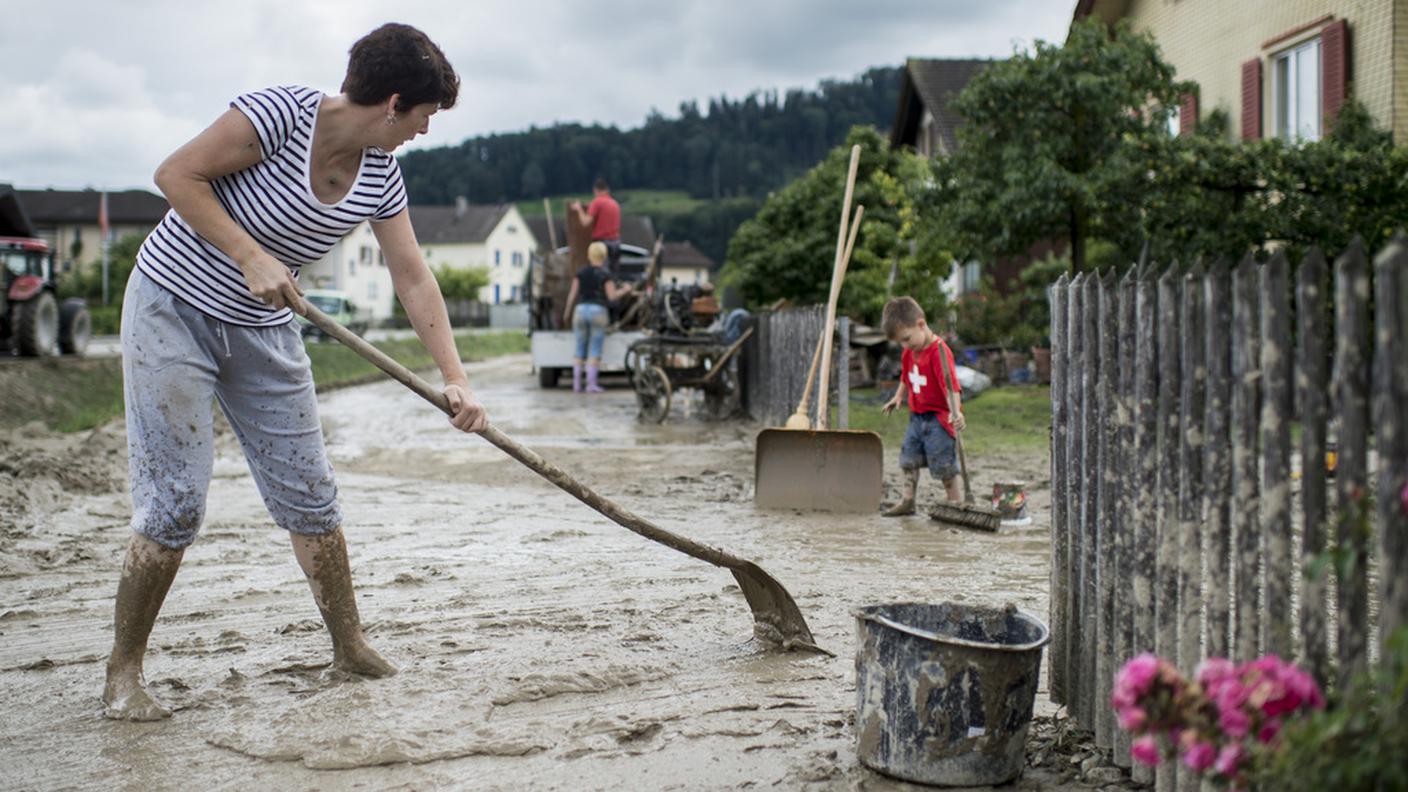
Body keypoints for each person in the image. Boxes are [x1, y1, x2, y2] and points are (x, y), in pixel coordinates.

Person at [103, 23, 487, 722]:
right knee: (175, 502)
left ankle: (350, 647)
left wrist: (455, 377)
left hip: (264, 328)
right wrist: (250, 254)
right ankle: (122, 676)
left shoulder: (381, 173)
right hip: (172, 310)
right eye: (427, 116)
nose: (425, 132)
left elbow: (413, 276)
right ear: (396, 102)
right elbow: (175, 175)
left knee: (313, 495)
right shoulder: (278, 116)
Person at [879, 296, 966, 516]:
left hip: (938, 418)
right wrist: (898, 396)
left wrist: (955, 413)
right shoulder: (909, 351)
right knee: (908, 459)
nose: (905, 345)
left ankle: (956, 504)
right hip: (916, 417)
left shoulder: (939, 352)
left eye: (907, 338)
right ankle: (908, 501)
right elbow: (906, 377)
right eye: (901, 342)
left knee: (944, 463)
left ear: (921, 324)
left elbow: (951, 387)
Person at [561, 241, 632, 392]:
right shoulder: (605, 274)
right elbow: (612, 297)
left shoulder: (581, 272)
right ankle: (591, 385)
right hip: (598, 311)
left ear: (589, 255)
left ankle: (576, 384)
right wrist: (625, 290)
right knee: (594, 349)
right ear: (604, 256)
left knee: (579, 348)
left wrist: (567, 312)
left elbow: (572, 295)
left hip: (580, 310)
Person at [569, 178, 621, 274]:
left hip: (601, 245)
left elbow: (585, 222)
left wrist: (579, 209)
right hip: (615, 244)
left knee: (600, 274)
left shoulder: (597, 202)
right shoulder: (615, 204)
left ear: (595, 190)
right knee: (612, 275)